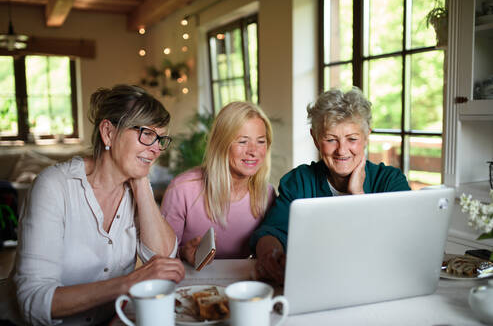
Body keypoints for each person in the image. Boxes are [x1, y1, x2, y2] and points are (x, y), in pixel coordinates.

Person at [0, 85, 185, 326]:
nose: (157, 148)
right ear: (108, 132)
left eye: (160, 139)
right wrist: (127, 283)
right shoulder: (55, 187)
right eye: (147, 134)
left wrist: (141, 181)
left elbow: (162, 260)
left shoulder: (135, 186)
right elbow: (34, 303)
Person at [250, 87, 411, 284]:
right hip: (317, 284)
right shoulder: (299, 181)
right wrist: (270, 255)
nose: (342, 150)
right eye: (330, 139)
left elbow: (403, 243)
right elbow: (270, 232)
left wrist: (358, 195)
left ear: (366, 136)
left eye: (352, 139)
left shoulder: (390, 182)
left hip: (378, 282)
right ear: (316, 139)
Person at [161, 102, 275, 265]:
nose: (253, 151)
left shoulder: (268, 194)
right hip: (192, 286)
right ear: (221, 144)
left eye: (261, 141)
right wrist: (183, 253)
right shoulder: (182, 189)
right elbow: (160, 258)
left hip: (243, 286)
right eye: (243, 141)